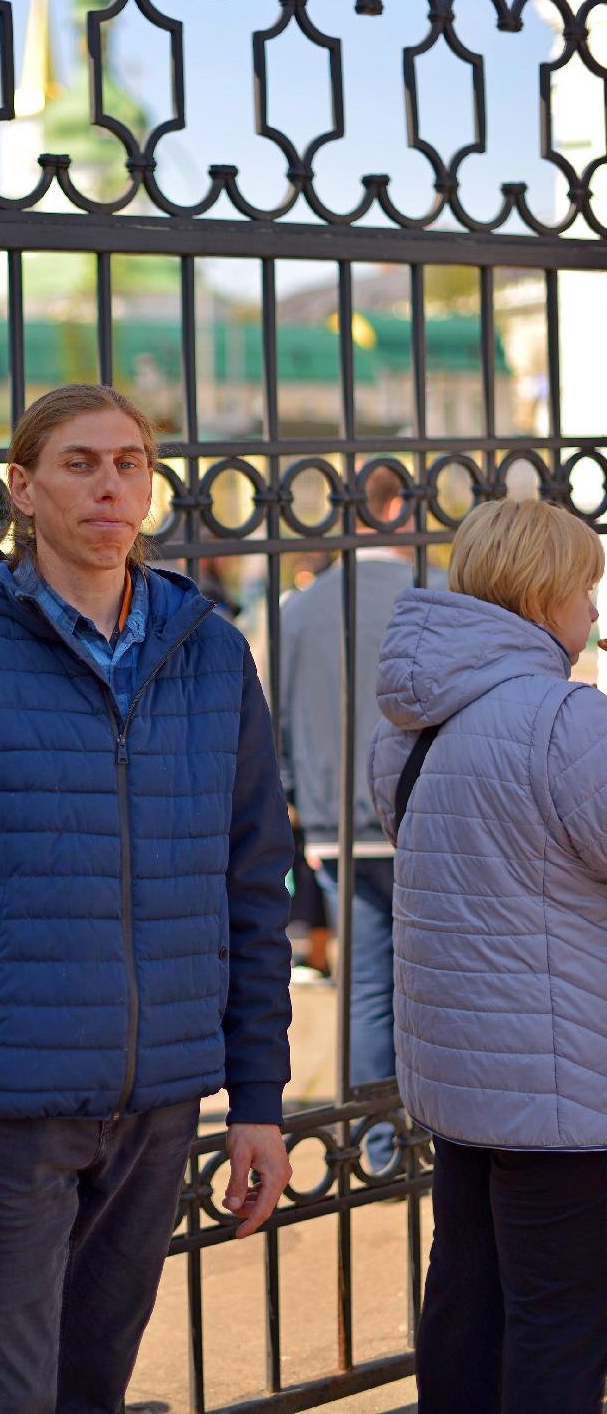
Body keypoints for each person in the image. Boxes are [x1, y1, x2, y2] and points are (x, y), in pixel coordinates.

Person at [0, 383, 295, 1414]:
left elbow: (256, 884)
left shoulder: (212, 653)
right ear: (23, 488)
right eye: (80, 463)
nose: (109, 486)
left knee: (94, 1388)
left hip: (160, 1099)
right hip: (5, 1108)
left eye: (129, 462)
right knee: (5, 1397)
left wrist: (258, 1098)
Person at [369, 499, 607, 1414]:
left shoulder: (415, 727)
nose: (591, 612)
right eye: (584, 589)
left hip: (462, 1085)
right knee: (559, 1320)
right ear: (545, 595)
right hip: (566, 1093)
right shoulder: (563, 723)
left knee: (468, 1297)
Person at [279, 465, 442, 1171]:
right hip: (425, 816)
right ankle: (437, 1134)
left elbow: (274, 716)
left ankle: (377, 1143)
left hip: (334, 825)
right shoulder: (433, 596)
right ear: (401, 506)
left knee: (368, 984)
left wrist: (303, 803)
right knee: (442, 983)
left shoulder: (304, 606)